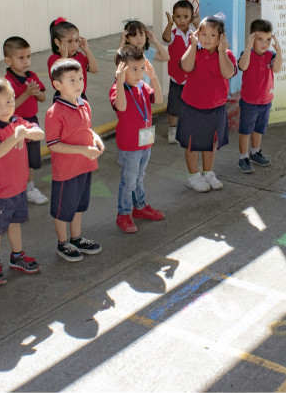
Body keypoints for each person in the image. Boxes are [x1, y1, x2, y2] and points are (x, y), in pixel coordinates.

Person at [0, 77, 44, 286]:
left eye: (9, 102)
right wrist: (16, 138)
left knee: (15, 224)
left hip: (18, 188)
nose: (4, 108)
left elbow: (40, 133)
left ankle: (17, 256)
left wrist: (24, 132)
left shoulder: (17, 121)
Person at [45, 58, 104, 262]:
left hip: (84, 166)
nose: (79, 83)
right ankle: (63, 243)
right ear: (57, 85)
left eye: (80, 78)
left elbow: (86, 129)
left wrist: (96, 139)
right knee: (63, 209)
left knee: (79, 205)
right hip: (66, 170)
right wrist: (82, 150)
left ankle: (76, 238)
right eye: (72, 80)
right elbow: (53, 144)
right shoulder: (54, 113)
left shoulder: (84, 104)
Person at [176, 13, 237, 192]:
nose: (207, 38)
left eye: (213, 35)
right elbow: (185, 67)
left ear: (221, 38)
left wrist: (221, 51)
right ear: (197, 34)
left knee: (211, 142)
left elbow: (228, 73)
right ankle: (193, 175)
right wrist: (193, 46)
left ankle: (208, 172)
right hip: (192, 107)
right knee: (192, 143)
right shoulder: (195, 51)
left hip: (215, 107)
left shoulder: (226, 54)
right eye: (203, 34)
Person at [110, 45, 165, 233]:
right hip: (130, 146)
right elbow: (122, 107)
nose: (139, 74)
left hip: (145, 143)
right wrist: (119, 81)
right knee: (129, 181)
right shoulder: (118, 89)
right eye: (134, 70)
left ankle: (139, 207)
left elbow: (158, 100)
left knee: (140, 178)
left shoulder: (143, 85)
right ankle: (123, 213)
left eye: (142, 69)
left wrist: (153, 76)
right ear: (120, 70)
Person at [2, 36, 50, 205]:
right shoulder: (7, 82)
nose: (26, 61)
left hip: (31, 121)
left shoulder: (32, 76)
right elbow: (9, 108)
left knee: (30, 158)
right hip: (14, 124)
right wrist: (27, 94)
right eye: (20, 58)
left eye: (28, 56)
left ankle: (29, 187)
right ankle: (16, 188)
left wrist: (36, 93)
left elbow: (44, 97)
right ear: (8, 60)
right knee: (17, 158)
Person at [237, 19, 283, 173]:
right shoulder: (246, 54)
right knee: (246, 130)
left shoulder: (271, 55)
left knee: (259, 129)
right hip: (249, 102)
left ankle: (255, 152)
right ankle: (243, 157)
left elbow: (277, 69)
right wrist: (248, 46)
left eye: (268, 39)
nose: (265, 43)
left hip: (265, 101)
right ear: (252, 38)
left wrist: (279, 51)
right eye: (260, 39)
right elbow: (242, 66)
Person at [161, 0, 198, 144]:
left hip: (191, 78)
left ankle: (189, 127)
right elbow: (166, 39)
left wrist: (199, 24)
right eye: (177, 17)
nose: (181, 20)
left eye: (185, 17)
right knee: (174, 104)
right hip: (176, 78)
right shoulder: (172, 33)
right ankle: (172, 128)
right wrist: (169, 25)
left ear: (192, 18)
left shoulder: (195, 34)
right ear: (173, 17)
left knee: (192, 104)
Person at [47, 17, 99, 100]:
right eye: (69, 41)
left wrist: (86, 50)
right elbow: (56, 83)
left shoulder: (79, 56)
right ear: (57, 42)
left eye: (76, 40)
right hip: (63, 99)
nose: (75, 45)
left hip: (80, 97)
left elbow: (94, 69)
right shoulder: (54, 59)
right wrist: (64, 57)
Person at [116, 20, 169, 86]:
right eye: (134, 36)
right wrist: (122, 42)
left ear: (146, 35)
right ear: (127, 39)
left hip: (144, 91)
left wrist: (155, 41)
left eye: (141, 35)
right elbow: (117, 60)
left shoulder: (148, 51)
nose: (138, 39)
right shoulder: (126, 52)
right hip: (128, 90)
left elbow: (166, 57)